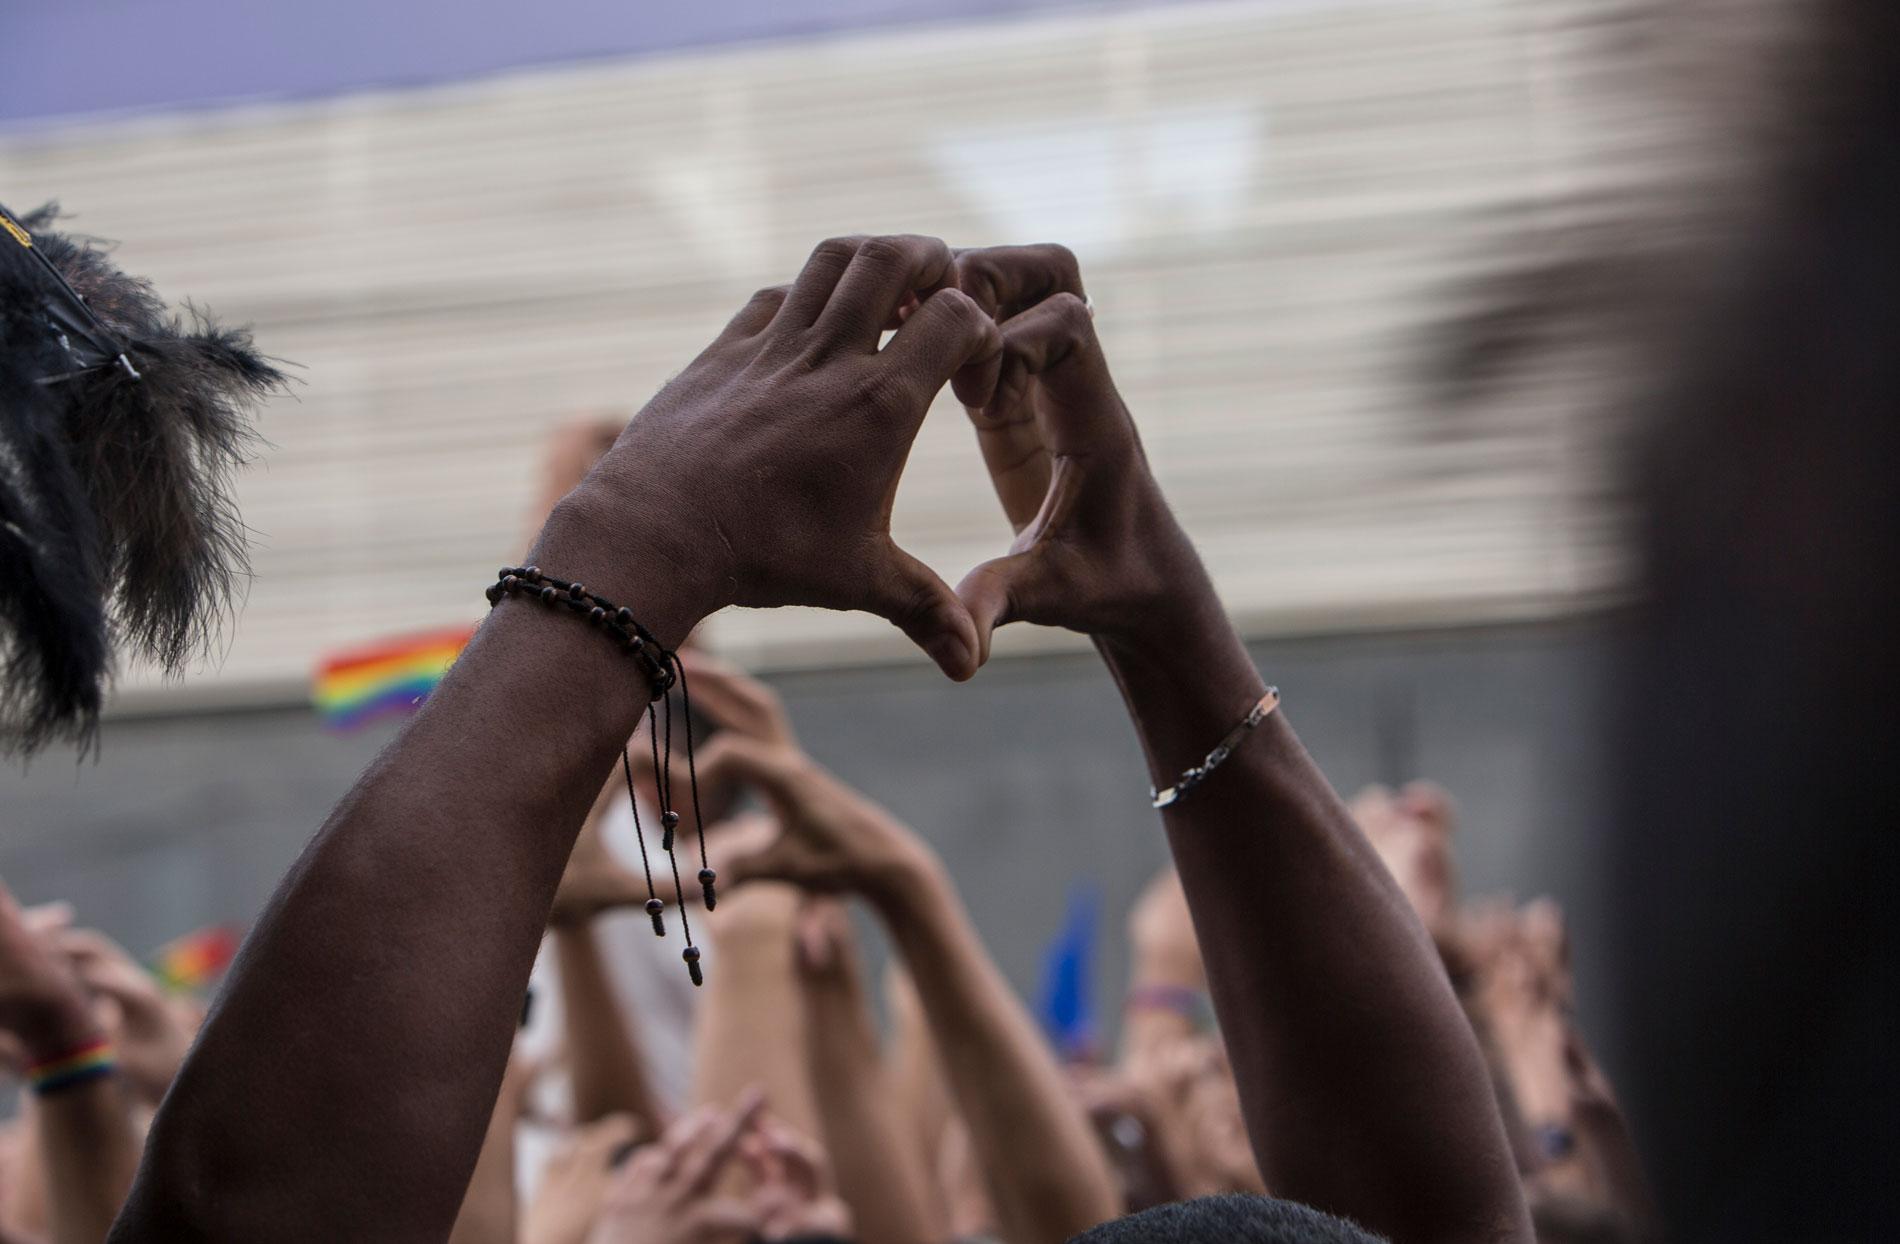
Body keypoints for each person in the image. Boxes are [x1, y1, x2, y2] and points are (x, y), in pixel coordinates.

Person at [97, 235, 1528, 1243]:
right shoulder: (641, 789)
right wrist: (1175, 632)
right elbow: (1443, 1224)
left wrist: (606, 560)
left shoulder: (698, 778)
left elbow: (248, 1216)